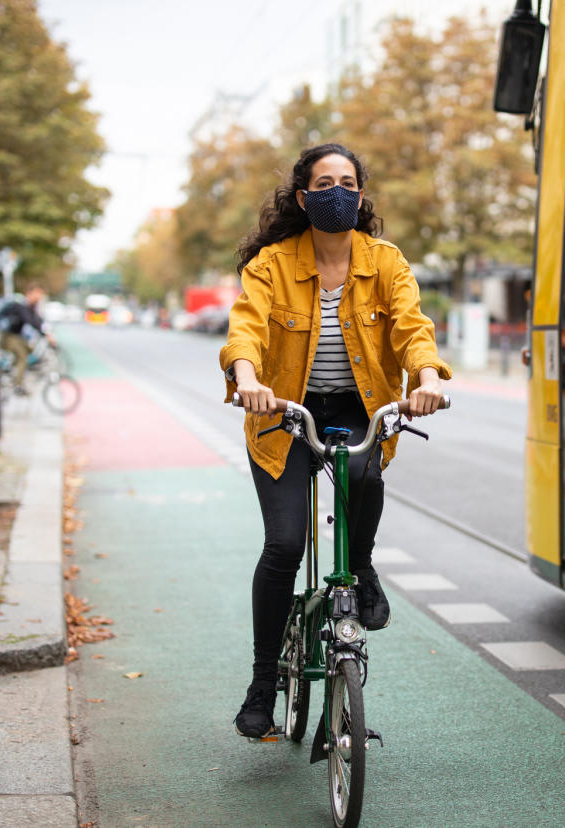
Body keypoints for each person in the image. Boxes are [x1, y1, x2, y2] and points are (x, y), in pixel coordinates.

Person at [219, 143, 451, 739]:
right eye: (325, 182)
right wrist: (247, 381)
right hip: (284, 413)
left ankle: (363, 564)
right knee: (285, 543)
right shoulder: (271, 264)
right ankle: (263, 682)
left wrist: (426, 380)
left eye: (349, 182)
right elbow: (245, 325)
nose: (338, 191)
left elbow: (411, 328)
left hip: (355, 407)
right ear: (303, 197)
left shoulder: (386, 261)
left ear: (361, 194)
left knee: (366, 478)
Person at [0, 284, 56, 392]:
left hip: (16, 337)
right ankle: (18, 384)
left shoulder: (29, 306)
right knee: (23, 356)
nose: (39, 298)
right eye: (37, 294)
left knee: (30, 349)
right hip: (8, 337)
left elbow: (37, 320)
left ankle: (13, 369)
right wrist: (44, 334)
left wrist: (47, 332)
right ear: (30, 293)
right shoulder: (21, 306)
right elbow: (30, 321)